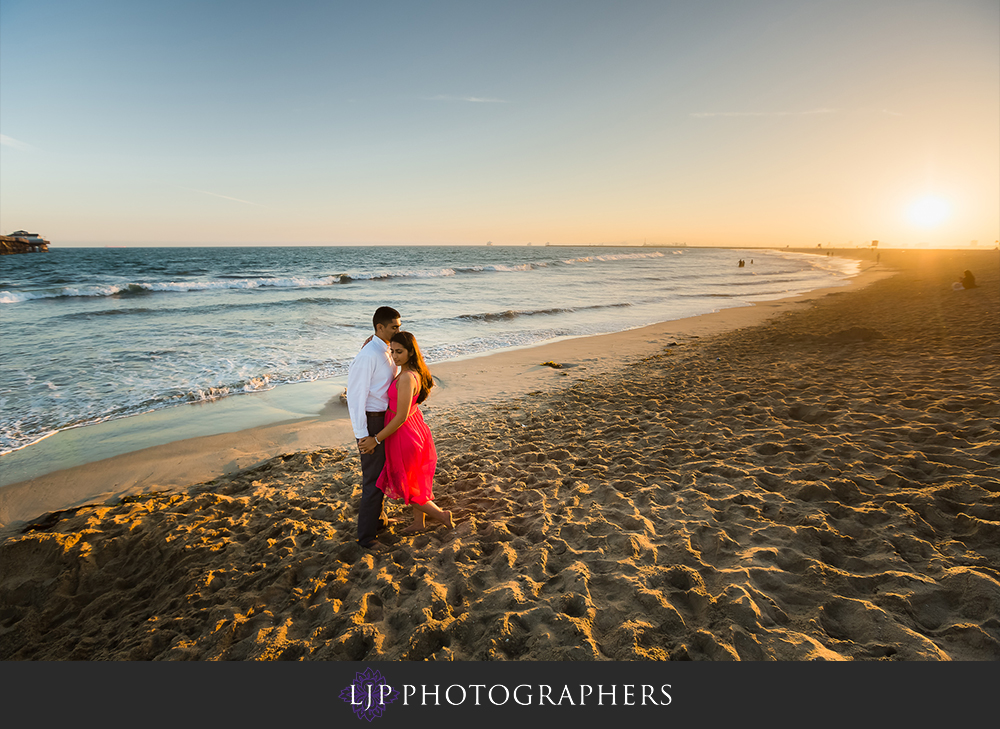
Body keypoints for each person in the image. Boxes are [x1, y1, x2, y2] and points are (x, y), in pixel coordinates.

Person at [374, 331, 454, 534]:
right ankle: (419, 523)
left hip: (403, 433)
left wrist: (376, 439)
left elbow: (400, 416)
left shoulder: (408, 377)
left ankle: (441, 515)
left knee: (405, 488)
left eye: (399, 352)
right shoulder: (408, 372)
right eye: (392, 351)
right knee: (414, 481)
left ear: (411, 352)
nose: (394, 356)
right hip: (412, 426)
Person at [346, 306, 401, 550]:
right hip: (371, 421)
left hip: (384, 419)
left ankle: (378, 521)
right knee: (372, 480)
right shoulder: (368, 355)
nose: (399, 330)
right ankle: (366, 537)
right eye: (394, 327)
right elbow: (355, 397)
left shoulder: (386, 349)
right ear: (380, 327)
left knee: (382, 474)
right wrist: (362, 435)